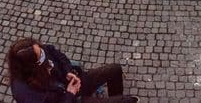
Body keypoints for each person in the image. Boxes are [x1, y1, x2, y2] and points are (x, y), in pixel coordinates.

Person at [7, 37, 137, 103]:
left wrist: (68, 71)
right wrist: (70, 94)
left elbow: (58, 55)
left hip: (72, 84)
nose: (44, 53)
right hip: (70, 99)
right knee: (127, 100)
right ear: (33, 66)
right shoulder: (27, 94)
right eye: (40, 55)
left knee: (115, 69)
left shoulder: (38, 50)